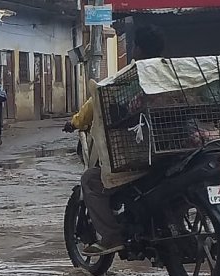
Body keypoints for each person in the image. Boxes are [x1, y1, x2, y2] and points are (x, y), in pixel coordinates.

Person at [65, 25, 166, 256]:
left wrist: (75, 122)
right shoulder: (173, 72)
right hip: (177, 150)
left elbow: (100, 98)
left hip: (144, 155)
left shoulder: (134, 75)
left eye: (134, 47)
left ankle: (112, 236)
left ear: (138, 48)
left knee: (91, 180)